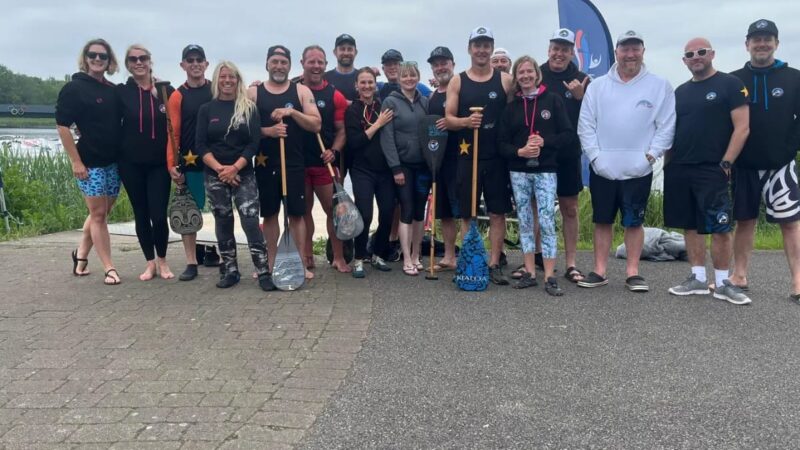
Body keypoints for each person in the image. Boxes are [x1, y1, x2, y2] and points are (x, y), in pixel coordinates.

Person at [577, 31, 676, 292]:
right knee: (602, 220)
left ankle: (633, 271)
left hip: (638, 168)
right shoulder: (597, 86)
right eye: (625, 49)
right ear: (617, 52)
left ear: (643, 51)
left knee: (634, 221)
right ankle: (599, 270)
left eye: (635, 49)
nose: (630, 54)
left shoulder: (659, 85)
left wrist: (652, 155)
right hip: (603, 167)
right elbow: (585, 125)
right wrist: (595, 157)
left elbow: (666, 126)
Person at [665, 38, 751, 305]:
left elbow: (742, 128)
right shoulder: (679, 92)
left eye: (701, 52)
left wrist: (726, 162)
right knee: (690, 225)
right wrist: (667, 164)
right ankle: (698, 279)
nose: (696, 57)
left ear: (712, 54)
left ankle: (724, 281)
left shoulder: (731, 85)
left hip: (713, 168)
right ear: (684, 61)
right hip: (681, 167)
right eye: (690, 54)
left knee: (720, 226)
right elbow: (670, 132)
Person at [730, 19, 800, 303]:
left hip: (781, 166)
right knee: (744, 222)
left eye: (767, 39)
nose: (762, 44)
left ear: (776, 44)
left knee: (791, 223)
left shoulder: (794, 78)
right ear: (747, 44)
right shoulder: (733, 80)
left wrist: (790, 149)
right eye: (756, 39)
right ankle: (739, 276)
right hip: (744, 165)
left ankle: (797, 281)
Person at [445, 26, 515, 285]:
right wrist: (466, 122)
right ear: (469, 48)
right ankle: (470, 260)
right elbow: (448, 119)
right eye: (478, 45)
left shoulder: (505, 81)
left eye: (486, 45)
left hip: (496, 158)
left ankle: (494, 263)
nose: (482, 50)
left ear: (491, 47)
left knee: (498, 212)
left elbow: (514, 116)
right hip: (468, 156)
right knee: (468, 213)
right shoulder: (458, 80)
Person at [195, 61, 274, 291]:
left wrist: (235, 168)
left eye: (232, 77)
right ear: (217, 80)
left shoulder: (248, 108)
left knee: (250, 221)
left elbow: (253, 143)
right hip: (215, 173)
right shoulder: (206, 110)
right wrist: (222, 169)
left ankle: (263, 272)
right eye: (223, 77)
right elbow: (200, 145)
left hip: (243, 173)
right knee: (223, 221)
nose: (228, 81)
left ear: (238, 80)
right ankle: (230, 269)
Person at [499, 55, 574, 295]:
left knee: (546, 220)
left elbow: (567, 135)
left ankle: (550, 275)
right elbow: (501, 143)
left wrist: (545, 141)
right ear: (516, 77)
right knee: (525, 221)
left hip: (545, 170)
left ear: (536, 74)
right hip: (519, 170)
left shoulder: (552, 100)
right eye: (520, 73)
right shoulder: (511, 107)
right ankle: (530, 271)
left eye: (529, 71)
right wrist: (519, 151)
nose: (525, 76)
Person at [247, 45, 321, 279]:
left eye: (283, 62)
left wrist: (292, 114)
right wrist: (268, 131)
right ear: (267, 64)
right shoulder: (253, 93)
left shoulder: (301, 91)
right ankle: (271, 263)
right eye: (275, 61)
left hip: (294, 163)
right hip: (264, 164)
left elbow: (316, 124)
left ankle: (299, 262)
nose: (279, 66)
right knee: (269, 214)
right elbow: (242, 131)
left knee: (296, 215)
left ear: (290, 65)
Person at [56, 38, 123, 285]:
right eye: (92, 55)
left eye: (102, 56)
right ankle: (109, 267)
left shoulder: (113, 90)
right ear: (85, 58)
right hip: (90, 163)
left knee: (103, 212)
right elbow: (63, 126)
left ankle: (81, 255)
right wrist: (76, 161)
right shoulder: (74, 89)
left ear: (109, 61)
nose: (97, 59)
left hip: (113, 162)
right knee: (98, 215)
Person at [117, 44, 175, 281]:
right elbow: (103, 118)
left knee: (159, 215)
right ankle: (149, 262)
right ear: (128, 64)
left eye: (143, 58)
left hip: (159, 163)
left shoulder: (165, 90)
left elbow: (184, 115)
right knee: (140, 213)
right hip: (130, 163)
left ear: (150, 61)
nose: (138, 62)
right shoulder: (121, 92)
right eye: (133, 59)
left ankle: (162, 260)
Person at [540, 28, 589, 284]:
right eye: (555, 48)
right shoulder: (537, 74)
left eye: (564, 49)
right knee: (539, 209)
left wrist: (581, 98)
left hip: (569, 153)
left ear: (572, 52)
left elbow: (593, 117)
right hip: (540, 153)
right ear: (549, 50)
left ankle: (570, 263)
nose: (559, 54)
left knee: (569, 208)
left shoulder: (582, 78)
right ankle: (538, 258)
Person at [166, 44, 219, 282]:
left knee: (221, 211)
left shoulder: (217, 89)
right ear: (183, 65)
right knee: (188, 212)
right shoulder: (177, 96)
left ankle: (226, 255)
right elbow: (172, 133)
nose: (195, 64)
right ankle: (191, 261)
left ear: (206, 64)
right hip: (189, 163)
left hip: (217, 161)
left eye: (199, 60)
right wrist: (171, 164)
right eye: (190, 60)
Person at [298, 45, 351, 273]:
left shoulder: (334, 95)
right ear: (302, 63)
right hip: (298, 162)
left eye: (320, 62)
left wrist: (335, 151)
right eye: (312, 61)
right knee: (303, 211)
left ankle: (338, 257)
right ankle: (307, 255)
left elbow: (342, 131)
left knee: (333, 210)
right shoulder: (293, 89)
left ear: (326, 65)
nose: (316, 66)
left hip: (324, 162)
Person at [381, 62, 431, 276]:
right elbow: (387, 137)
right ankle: (406, 258)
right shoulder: (390, 102)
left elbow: (432, 131)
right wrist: (395, 168)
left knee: (420, 212)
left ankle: (417, 254)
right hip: (402, 166)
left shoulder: (425, 103)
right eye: (405, 76)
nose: (409, 79)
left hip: (423, 166)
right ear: (399, 79)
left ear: (418, 77)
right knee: (407, 210)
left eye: (413, 75)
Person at [346, 67, 396, 277]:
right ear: (356, 85)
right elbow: (354, 143)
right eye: (363, 83)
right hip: (362, 170)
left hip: (384, 170)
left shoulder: (382, 106)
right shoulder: (352, 110)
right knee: (365, 214)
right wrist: (377, 125)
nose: (367, 86)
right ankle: (358, 258)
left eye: (371, 82)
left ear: (376, 85)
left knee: (387, 213)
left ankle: (378, 254)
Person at [427, 46, 460, 272]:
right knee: (445, 213)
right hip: (439, 161)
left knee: (465, 212)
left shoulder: (461, 88)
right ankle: (449, 256)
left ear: (453, 64)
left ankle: (468, 255)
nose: (440, 67)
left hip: (461, 158)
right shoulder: (431, 96)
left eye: (444, 63)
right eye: (436, 64)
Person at [325, 33, 359, 101]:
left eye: (350, 49)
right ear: (335, 52)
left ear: (355, 52)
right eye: (342, 49)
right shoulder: (325, 78)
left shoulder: (363, 78)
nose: (346, 53)